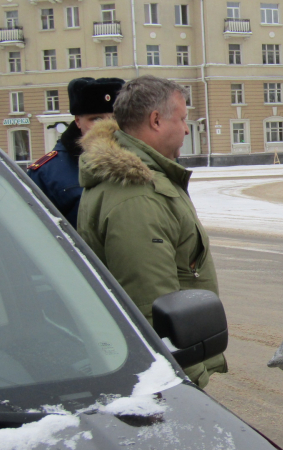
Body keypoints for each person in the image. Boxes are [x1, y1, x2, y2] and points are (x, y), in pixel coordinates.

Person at [76, 75, 225, 388]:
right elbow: (153, 305)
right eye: (183, 119)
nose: (186, 128)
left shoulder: (146, 180)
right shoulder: (137, 196)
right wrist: (188, 381)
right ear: (156, 120)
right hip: (165, 377)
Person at [27, 77, 125, 228]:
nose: (108, 125)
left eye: (114, 118)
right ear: (78, 121)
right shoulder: (47, 174)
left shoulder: (142, 161)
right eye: (96, 119)